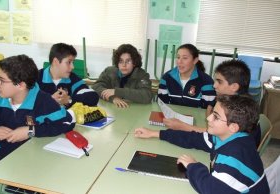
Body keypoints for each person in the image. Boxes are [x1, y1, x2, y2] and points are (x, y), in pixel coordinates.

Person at [135, 95, 269, 194]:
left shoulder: (235, 157)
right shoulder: (226, 137)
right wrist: (155, 133)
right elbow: (192, 138)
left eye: (215, 116)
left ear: (233, 127)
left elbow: (210, 189)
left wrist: (193, 166)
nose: (208, 118)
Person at [0, 55, 75, 162]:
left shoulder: (43, 102)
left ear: (20, 85)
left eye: (2, 80)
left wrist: (30, 131)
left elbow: (66, 123)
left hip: (27, 159)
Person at [158, 44, 216, 116]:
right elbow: (162, 103)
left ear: (195, 60)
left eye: (185, 58)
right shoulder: (166, 78)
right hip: (172, 118)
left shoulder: (206, 82)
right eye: (178, 57)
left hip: (196, 120)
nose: (179, 61)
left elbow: (209, 109)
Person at [37, 43, 99, 108]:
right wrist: (50, 100)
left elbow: (93, 97)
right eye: (69, 62)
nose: (73, 67)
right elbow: (27, 101)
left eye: (73, 62)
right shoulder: (36, 78)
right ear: (55, 61)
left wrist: (69, 99)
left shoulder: (72, 79)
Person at [92, 44, 152, 108]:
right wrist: (113, 98)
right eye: (121, 61)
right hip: (113, 110)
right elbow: (96, 87)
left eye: (128, 61)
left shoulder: (142, 75)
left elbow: (147, 96)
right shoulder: (109, 71)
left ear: (134, 63)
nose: (124, 65)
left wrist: (117, 92)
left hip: (133, 111)